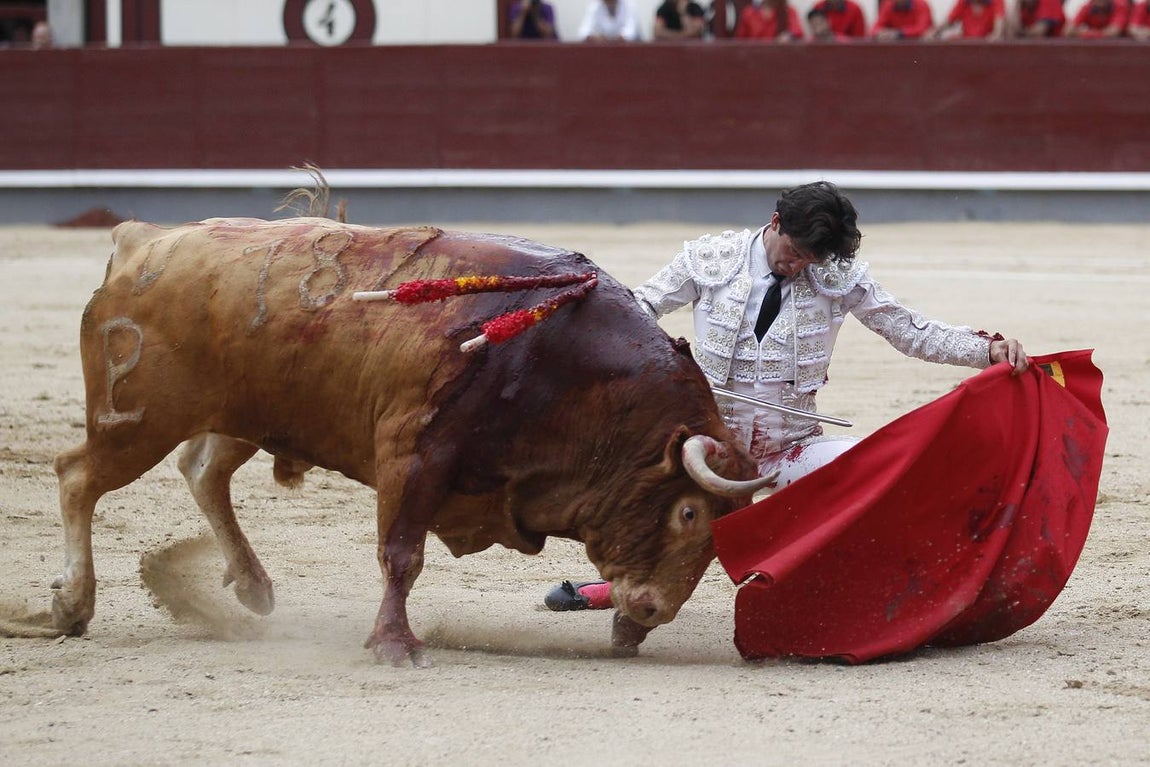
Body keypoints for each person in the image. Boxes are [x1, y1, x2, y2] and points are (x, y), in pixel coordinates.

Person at [543, 181, 1028, 611]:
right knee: (655, 506)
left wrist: (984, 350)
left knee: (874, 473)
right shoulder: (711, 259)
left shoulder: (837, 276)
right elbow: (640, 308)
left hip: (792, 445)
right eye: (794, 252)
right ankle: (616, 586)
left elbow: (906, 329)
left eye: (810, 261)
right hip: (708, 445)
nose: (797, 266)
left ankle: (880, 592)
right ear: (775, 222)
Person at [734, 0, 806, 40]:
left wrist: (788, 36)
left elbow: (798, 31)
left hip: (778, 55)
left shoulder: (788, 11)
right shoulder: (749, 13)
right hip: (754, 55)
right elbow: (740, 39)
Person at [933, 0, 1007, 38]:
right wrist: (933, 32)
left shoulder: (996, 1)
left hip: (987, 47)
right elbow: (948, 20)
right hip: (968, 46)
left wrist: (995, 35)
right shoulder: (963, 2)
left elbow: (998, 28)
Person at [578, 0, 642, 41]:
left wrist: (611, 40)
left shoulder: (629, 4)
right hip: (604, 50)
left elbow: (630, 33)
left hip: (631, 50)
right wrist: (596, 38)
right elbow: (583, 33)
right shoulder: (595, 5)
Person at [1065, 0, 1129, 36]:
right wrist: (1092, 34)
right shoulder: (1088, 7)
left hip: (1119, 49)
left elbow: (1114, 32)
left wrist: (1086, 33)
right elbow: (1068, 31)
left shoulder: (1119, 5)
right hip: (1095, 48)